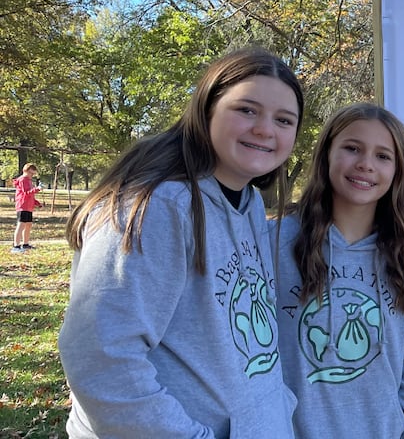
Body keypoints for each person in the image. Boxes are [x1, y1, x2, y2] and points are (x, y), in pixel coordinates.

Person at [58, 47, 303, 438]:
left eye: (284, 119)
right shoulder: (154, 204)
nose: (265, 129)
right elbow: (102, 358)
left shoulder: (250, 202)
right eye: (246, 110)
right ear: (207, 109)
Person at [273, 103, 404, 439]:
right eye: (352, 148)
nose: (365, 164)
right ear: (327, 154)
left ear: (398, 170)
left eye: (383, 156)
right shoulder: (274, 243)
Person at [11, 163, 43, 253]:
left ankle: (25, 244)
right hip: (22, 206)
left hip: (29, 207)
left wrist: (37, 203)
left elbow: (31, 195)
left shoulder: (29, 181)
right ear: (25, 171)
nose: (31, 175)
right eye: (30, 173)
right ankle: (16, 246)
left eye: (33, 174)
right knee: (21, 225)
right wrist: (37, 189)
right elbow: (26, 192)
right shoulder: (22, 180)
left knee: (28, 225)